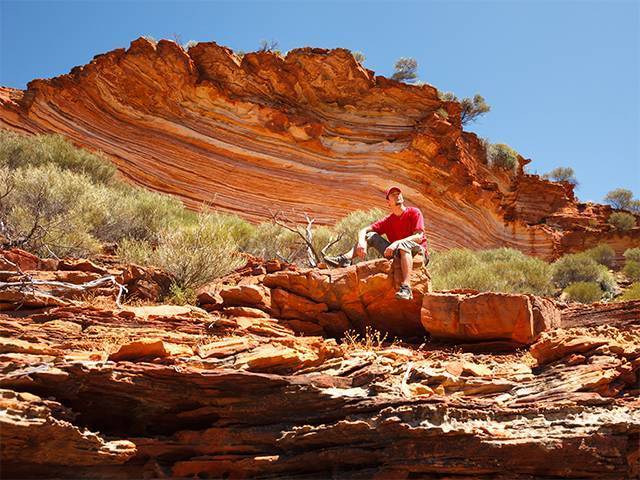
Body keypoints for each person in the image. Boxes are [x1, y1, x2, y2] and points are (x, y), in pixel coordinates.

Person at [324, 186, 429, 300]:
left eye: (398, 193)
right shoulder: (389, 220)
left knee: (403, 245)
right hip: (398, 253)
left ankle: (406, 288)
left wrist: (396, 243)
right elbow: (364, 230)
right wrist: (361, 242)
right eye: (393, 195)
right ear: (388, 203)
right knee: (370, 236)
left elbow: (419, 237)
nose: (397, 196)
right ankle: (345, 259)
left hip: (418, 252)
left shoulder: (414, 212)